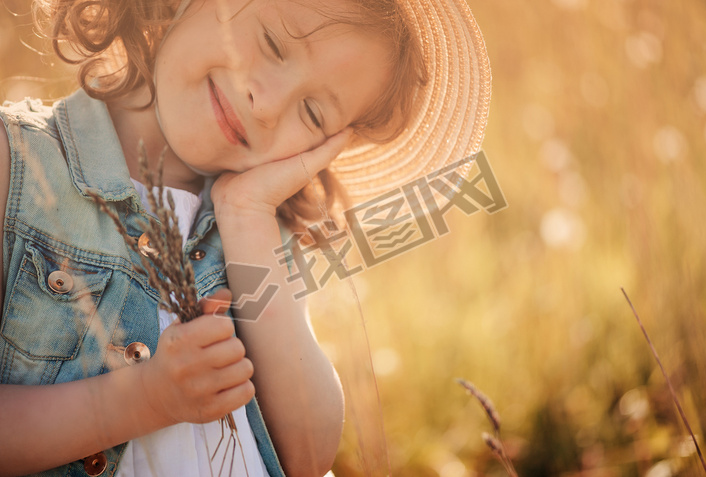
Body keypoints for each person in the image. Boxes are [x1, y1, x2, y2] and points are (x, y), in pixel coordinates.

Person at [0, 0, 491, 475]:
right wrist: (143, 401)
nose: (267, 104)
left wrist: (246, 217)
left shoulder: (259, 234)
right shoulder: (18, 168)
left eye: (314, 115)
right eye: (274, 43)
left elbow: (307, 455)